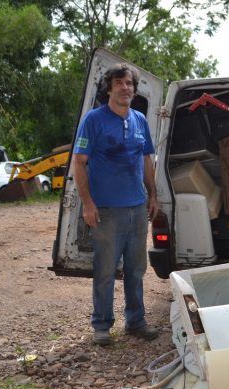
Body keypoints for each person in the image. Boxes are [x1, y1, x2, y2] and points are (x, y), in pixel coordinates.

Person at [73, 63, 160, 346]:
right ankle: (101, 326)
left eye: (130, 84)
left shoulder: (139, 120)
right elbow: (80, 163)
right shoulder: (94, 120)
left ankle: (136, 322)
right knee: (106, 270)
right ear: (109, 88)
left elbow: (146, 160)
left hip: (137, 208)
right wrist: (87, 204)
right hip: (107, 211)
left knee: (136, 270)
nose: (126, 88)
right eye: (120, 83)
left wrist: (153, 195)